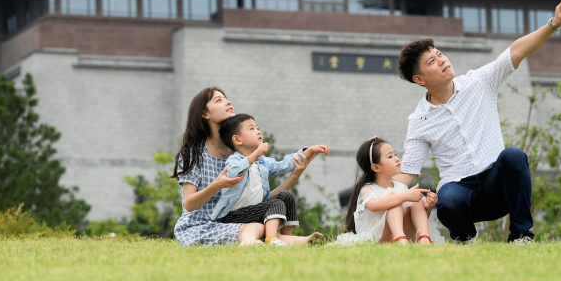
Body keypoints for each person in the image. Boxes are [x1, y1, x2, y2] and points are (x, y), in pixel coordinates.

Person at [393, 0, 561, 245]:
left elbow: (517, 50)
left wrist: (553, 24)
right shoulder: (420, 119)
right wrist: (371, 189)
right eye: (432, 61)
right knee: (447, 198)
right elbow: (408, 173)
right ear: (419, 79)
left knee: (513, 155)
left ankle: (522, 236)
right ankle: (464, 238)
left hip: (497, 185)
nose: (443, 60)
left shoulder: (479, 82)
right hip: (460, 192)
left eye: (440, 54)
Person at [172, 87, 323, 247]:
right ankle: (253, 243)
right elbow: (189, 204)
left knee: (265, 223)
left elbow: (258, 199)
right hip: (200, 226)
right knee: (256, 228)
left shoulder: (241, 153)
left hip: (234, 220)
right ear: (205, 114)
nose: (228, 102)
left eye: (226, 98)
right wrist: (218, 185)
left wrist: (295, 175)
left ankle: (305, 242)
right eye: (219, 100)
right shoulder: (194, 153)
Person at [212, 113, 328, 247]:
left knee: (288, 196)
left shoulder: (262, 162)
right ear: (237, 140)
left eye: (257, 128)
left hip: (256, 211)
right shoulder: (234, 160)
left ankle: (285, 239)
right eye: (252, 129)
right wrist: (255, 154)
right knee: (275, 204)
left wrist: (308, 151)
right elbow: (232, 172)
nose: (258, 131)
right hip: (234, 217)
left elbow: (285, 164)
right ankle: (271, 239)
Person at [334, 136, 440, 246]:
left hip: (408, 236)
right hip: (381, 239)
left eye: (395, 154)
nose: (397, 158)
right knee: (395, 199)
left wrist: (427, 207)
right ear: (376, 168)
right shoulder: (368, 188)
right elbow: (373, 205)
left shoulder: (400, 187)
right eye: (390, 156)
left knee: (416, 201)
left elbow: (415, 219)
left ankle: (424, 239)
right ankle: (400, 239)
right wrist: (404, 196)